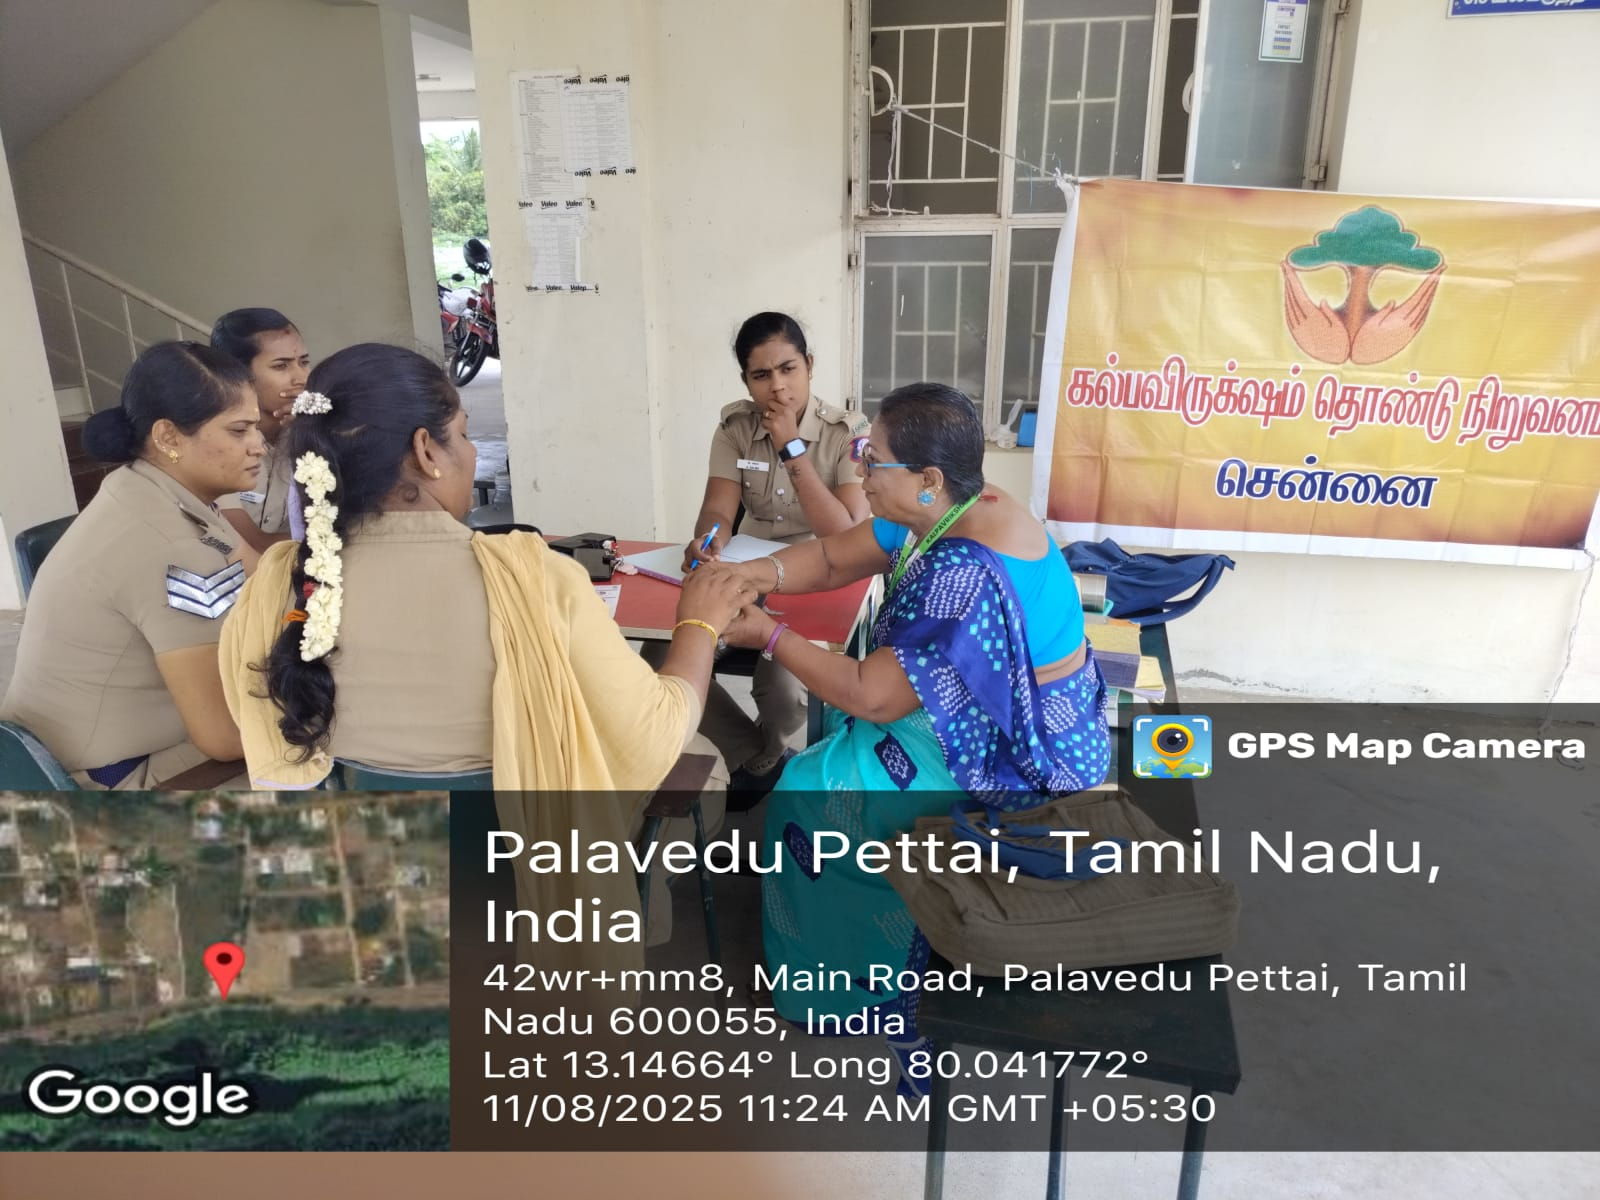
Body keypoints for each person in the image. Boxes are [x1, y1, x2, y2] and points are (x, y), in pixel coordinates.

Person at [218, 344, 755, 981]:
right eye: (465, 435)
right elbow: (655, 733)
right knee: (705, 763)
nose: (473, 454)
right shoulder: (532, 577)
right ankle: (625, 918)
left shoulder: (278, 582)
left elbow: (262, 733)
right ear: (426, 450)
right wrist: (698, 623)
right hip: (524, 869)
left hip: (371, 867)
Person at [714, 382, 1111, 1085]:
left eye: (873, 459)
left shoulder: (965, 574)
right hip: (988, 711)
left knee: (813, 790)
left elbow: (873, 696)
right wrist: (746, 574)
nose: (859, 471)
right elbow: (833, 558)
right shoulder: (953, 506)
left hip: (1019, 753)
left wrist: (767, 633)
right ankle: (853, 936)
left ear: (927, 477)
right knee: (832, 750)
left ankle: (862, 988)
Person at [1, 342, 263, 788]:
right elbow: (223, 737)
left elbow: (264, 580)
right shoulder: (170, 545)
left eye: (255, 428)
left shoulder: (151, 487)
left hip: (66, 751)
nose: (258, 446)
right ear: (168, 437)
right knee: (330, 744)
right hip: (106, 779)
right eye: (239, 431)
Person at [661, 311, 872, 794]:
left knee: (784, 684)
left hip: (820, 576)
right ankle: (755, 755)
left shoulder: (848, 432)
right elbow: (718, 508)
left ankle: (771, 751)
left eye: (788, 369)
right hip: (743, 571)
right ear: (746, 381)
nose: (777, 386)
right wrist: (709, 539)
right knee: (664, 652)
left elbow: (844, 534)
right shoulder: (735, 427)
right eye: (761, 375)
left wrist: (791, 447)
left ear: (809, 365)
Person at [210, 307, 311, 552]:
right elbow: (254, 545)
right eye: (281, 366)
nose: (301, 378)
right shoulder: (213, 439)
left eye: (304, 362)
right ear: (237, 374)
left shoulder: (309, 429)